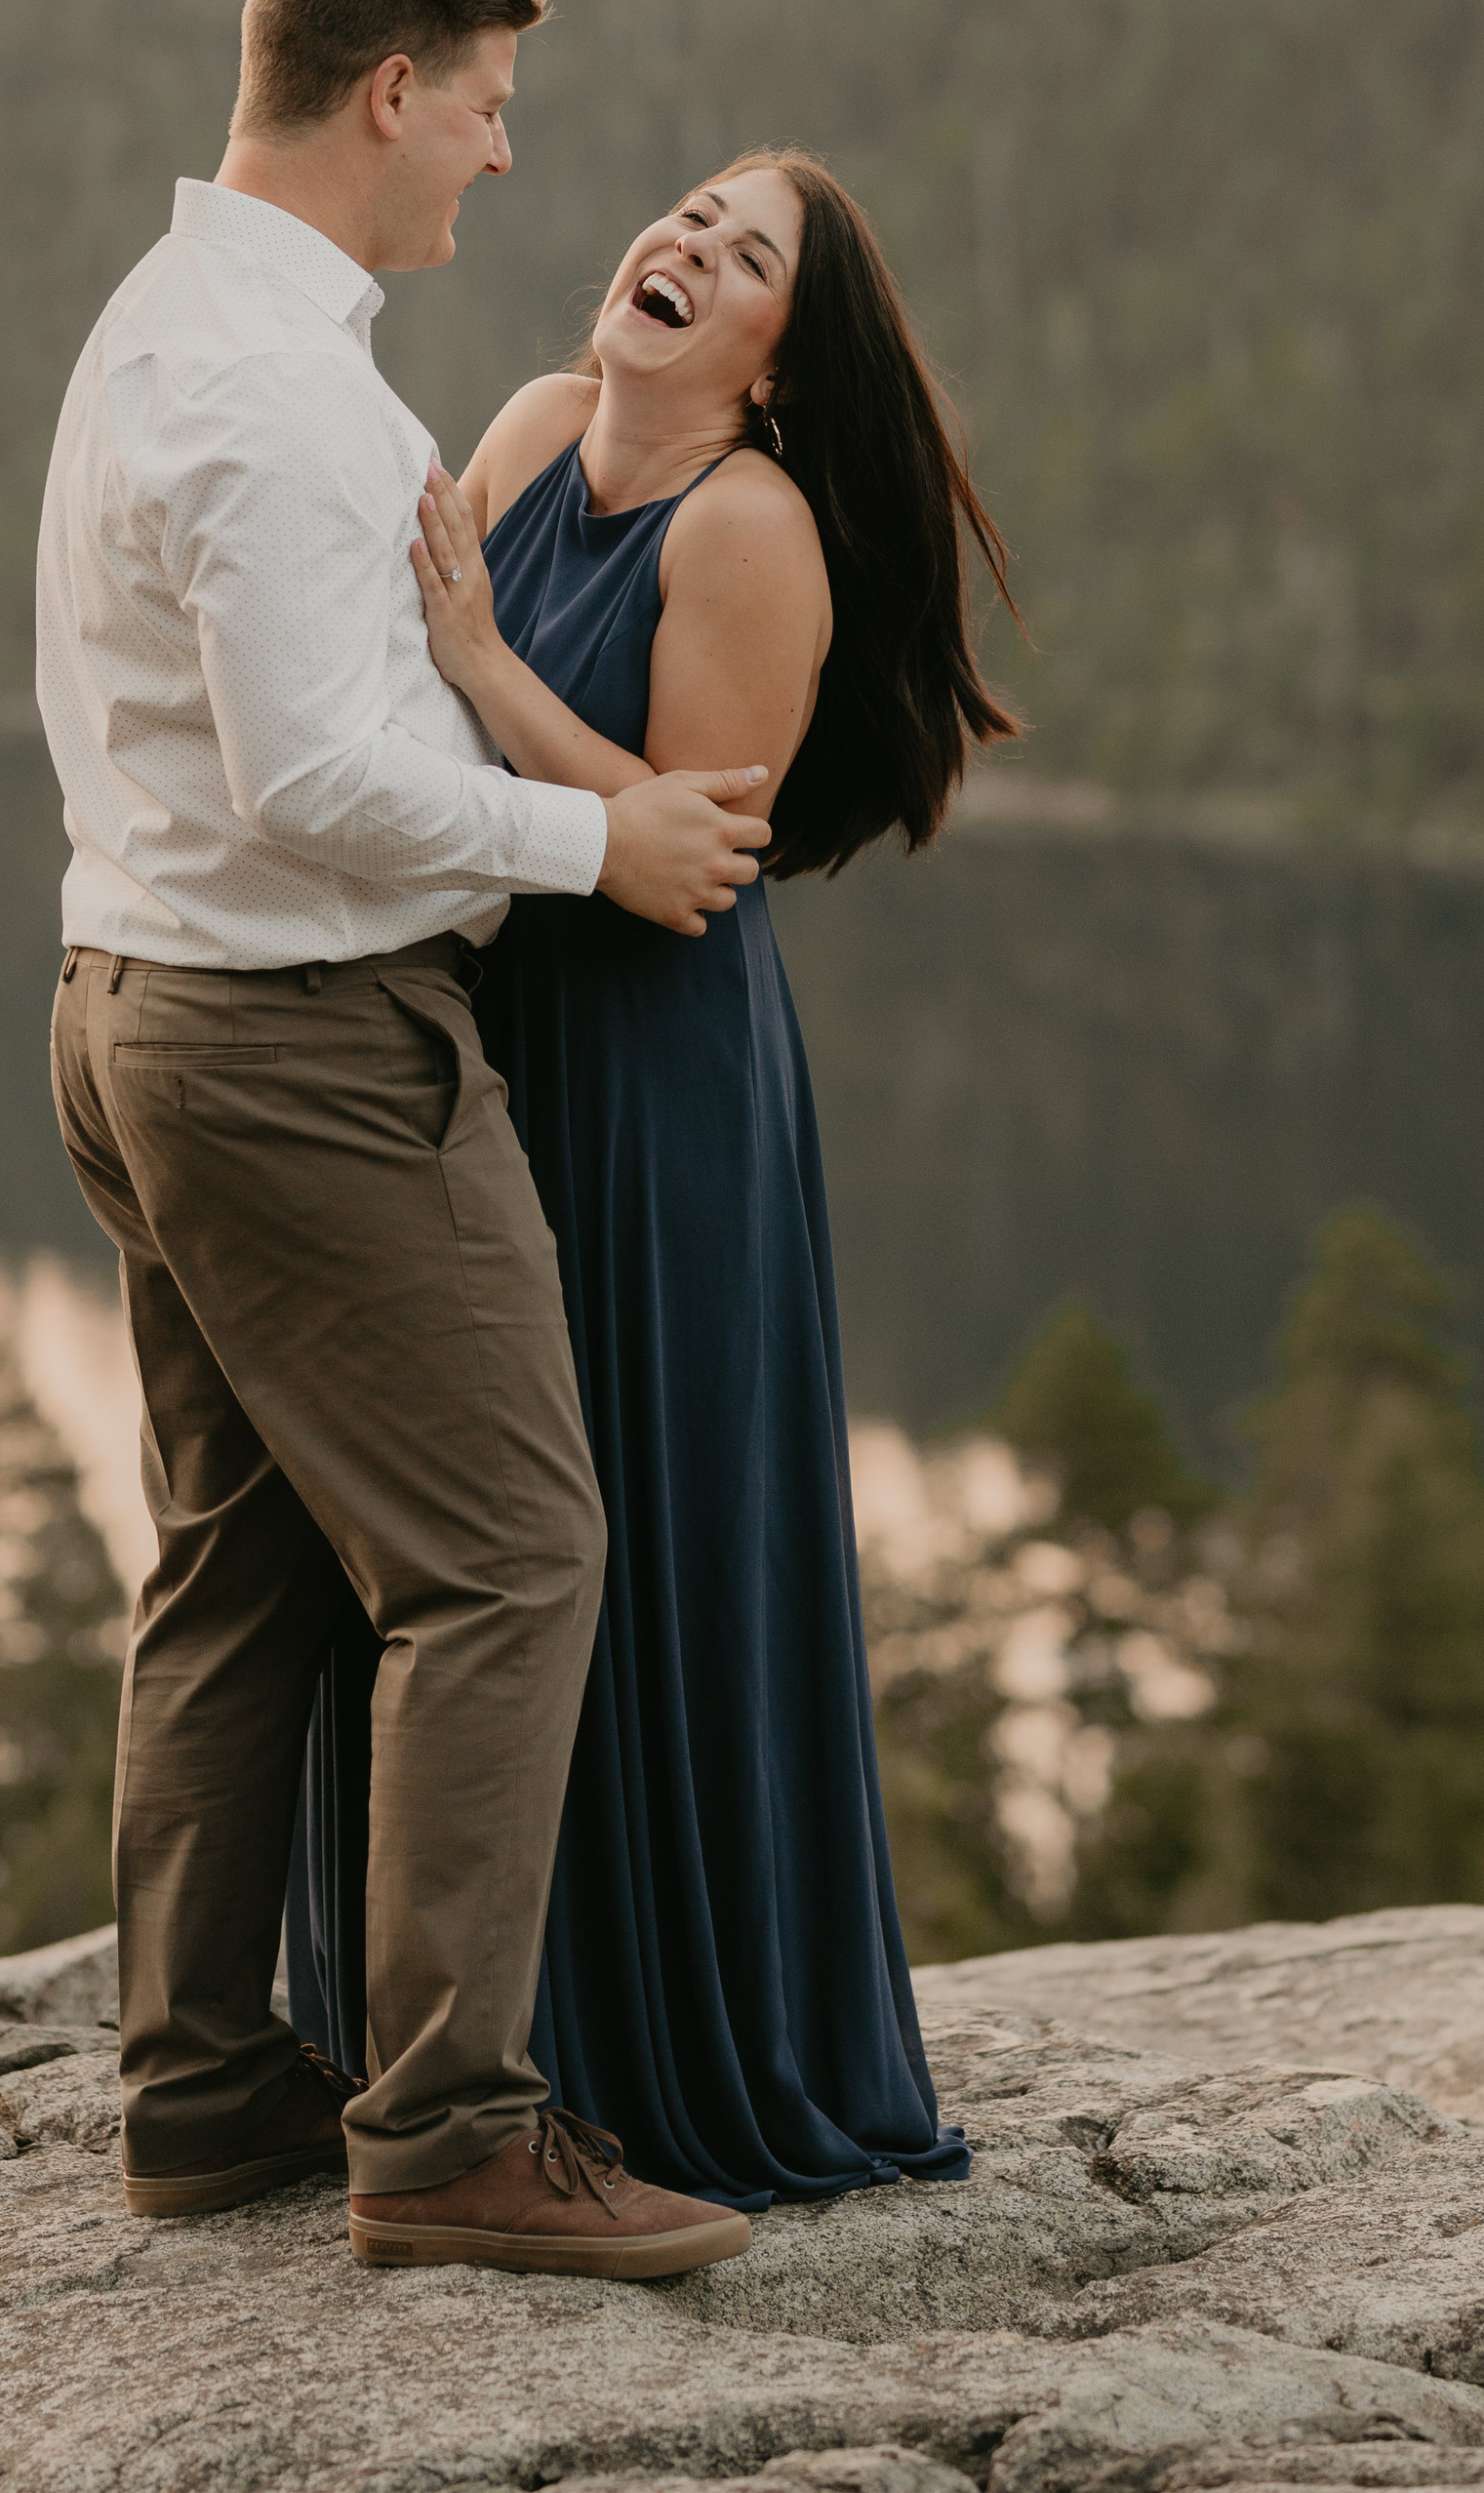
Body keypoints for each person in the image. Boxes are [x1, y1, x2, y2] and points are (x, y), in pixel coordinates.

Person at [37, 0, 772, 2280]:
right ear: (387, 90)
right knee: (506, 1554)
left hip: (137, 1003)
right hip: (290, 1048)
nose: (498, 159)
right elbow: (315, 790)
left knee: (241, 1564)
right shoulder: (265, 387)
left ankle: (199, 2093)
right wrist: (604, 833)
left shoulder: (182, 321)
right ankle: (446, 2131)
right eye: (484, 110)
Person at [287, 147, 1018, 2206]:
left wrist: (485, 664)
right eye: (688, 214)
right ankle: (423, 2052)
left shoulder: (752, 527)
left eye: (747, 253)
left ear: (780, 364)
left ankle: (660, 2060)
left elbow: (680, 863)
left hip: (649, 1083)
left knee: (623, 1533)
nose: (686, 245)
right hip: (470, 1041)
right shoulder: (525, 431)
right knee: (453, 1541)